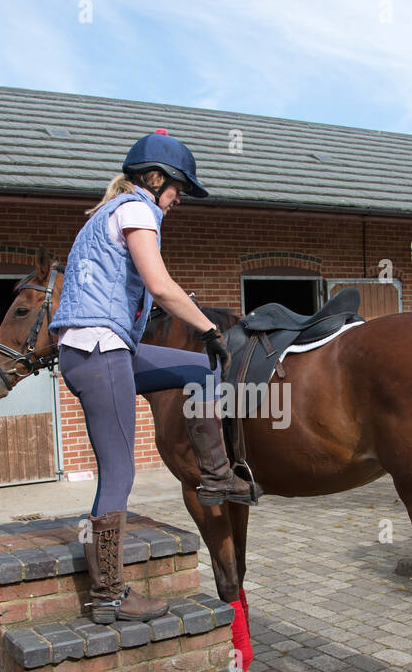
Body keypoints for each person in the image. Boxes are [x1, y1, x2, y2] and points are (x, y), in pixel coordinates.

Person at [50, 129, 257, 624]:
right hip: (100, 352)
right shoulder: (136, 208)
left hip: (108, 348)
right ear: (155, 178)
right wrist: (210, 328)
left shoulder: (106, 214)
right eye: (177, 189)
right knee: (120, 473)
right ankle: (108, 595)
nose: (177, 200)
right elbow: (161, 286)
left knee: (202, 368)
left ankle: (215, 476)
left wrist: (207, 347)